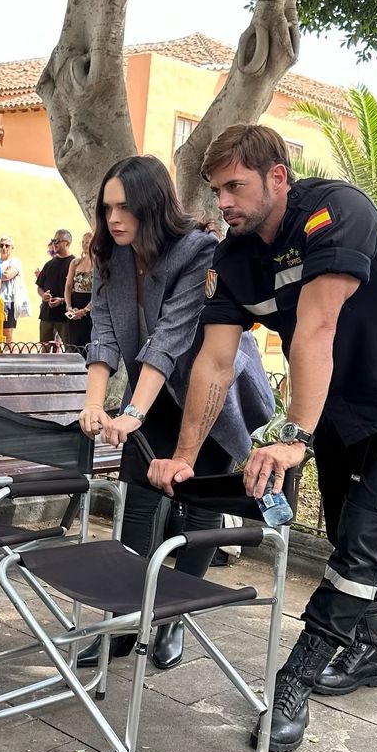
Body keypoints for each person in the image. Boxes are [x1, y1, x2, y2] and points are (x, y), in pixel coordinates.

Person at [148, 124, 377, 752]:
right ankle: (369, 652)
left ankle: (296, 679)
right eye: (216, 189)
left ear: (278, 176)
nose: (224, 202)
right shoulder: (232, 257)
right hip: (340, 404)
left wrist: (292, 436)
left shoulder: (336, 212)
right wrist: (182, 456)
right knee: (348, 532)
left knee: (361, 545)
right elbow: (212, 361)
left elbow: (317, 328)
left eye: (236, 186)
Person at [77, 155, 273, 670]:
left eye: (125, 207)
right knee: (138, 502)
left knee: (199, 506)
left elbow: (171, 337)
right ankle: (124, 619)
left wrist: (132, 412)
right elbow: (101, 333)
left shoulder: (197, 250)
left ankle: (173, 618)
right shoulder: (109, 254)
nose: (113, 218)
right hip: (151, 393)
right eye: (107, 207)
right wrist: (95, 403)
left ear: (154, 205)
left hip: (205, 394)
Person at [36, 229, 74, 351]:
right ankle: (44, 371)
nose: (54, 244)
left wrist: (62, 300)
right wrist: (44, 295)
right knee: (45, 349)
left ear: (67, 243)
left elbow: (78, 291)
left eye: (57, 241)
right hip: (47, 315)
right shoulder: (49, 264)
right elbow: (40, 287)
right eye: (53, 241)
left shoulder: (74, 264)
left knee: (69, 349)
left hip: (65, 316)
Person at [64, 231, 94, 350]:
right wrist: (68, 306)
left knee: (88, 342)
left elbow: (99, 292)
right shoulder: (75, 263)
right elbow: (68, 286)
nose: (85, 245)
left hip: (91, 306)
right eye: (83, 242)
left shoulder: (98, 263)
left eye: (88, 242)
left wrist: (86, 310)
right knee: (74, 344)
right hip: (75, 305)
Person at [0, 237, 25, 346]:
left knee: (7, 333)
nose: (4, 248)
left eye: (7, 245)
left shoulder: (15, 261)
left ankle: (9, 356)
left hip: (8, 301)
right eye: (1, 245)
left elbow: (7, 275)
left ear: (12, 247)